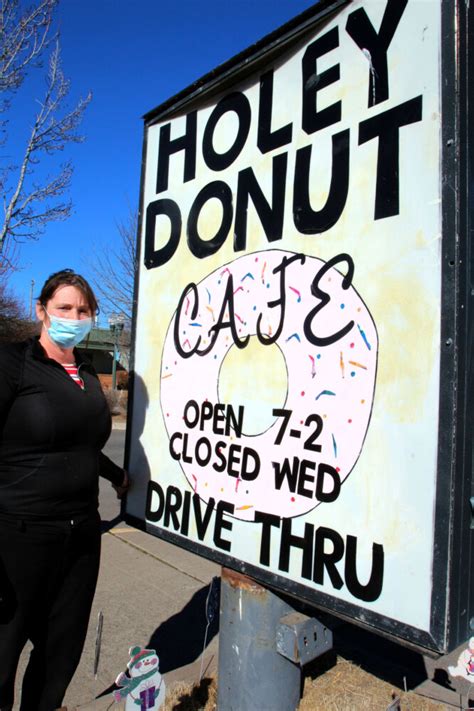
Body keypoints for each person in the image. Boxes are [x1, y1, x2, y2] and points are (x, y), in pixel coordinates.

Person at [0, 269, 129, 711]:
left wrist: (115, 474)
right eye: (64, 309)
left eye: (83, 310)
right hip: (17, 536)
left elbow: (82, 442)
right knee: (3, 652)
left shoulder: (88, 372)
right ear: (41, 311)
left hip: (80, 536)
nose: (74, 317)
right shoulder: (14, 363)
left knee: (60, 652)